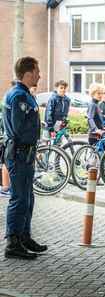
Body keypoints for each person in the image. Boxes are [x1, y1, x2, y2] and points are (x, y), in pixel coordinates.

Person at [3, 56, 45, 259]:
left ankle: (24, 237)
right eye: (37, 72)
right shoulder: (19, 95)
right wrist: (28, 144)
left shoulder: (22, 93)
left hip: (24, 153)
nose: (40, 75)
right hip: (20, 153)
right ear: (28, 73)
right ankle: (13, 242)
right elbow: (18, 128)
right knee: (19, 198)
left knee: (28, 198)